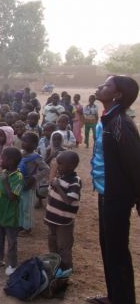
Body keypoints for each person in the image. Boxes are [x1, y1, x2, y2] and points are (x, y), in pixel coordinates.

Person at [87, 76, 140, 304]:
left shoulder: (120, 123)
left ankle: (123, 300)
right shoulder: (108, 120)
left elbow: (135, 164)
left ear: (117, 95)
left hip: (117, 197)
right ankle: (115, 296)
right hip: (106, 193)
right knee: (108, 246)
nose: (100, 87)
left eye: (107, 85)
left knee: (117, 250)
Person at [0, 147, 23, 276]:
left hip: (11, 216)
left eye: (3, 158)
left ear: (11, 161)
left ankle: (13, 264)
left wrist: (6, 181)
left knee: (12, 241)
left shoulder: (17, 177)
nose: (0, 160)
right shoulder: (4, 173)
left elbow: (13, 197)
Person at [44, 150, 81, 276]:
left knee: (64, 246)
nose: (57, 166)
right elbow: (51, 193)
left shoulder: (75, 182)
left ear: (70, 166)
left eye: (59, 164)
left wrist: (58, 186)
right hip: (53, 219)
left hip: (64, 222)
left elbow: (68, 201)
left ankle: (65, 271)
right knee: (52, 242)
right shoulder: (59, 177)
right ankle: (55, 266)